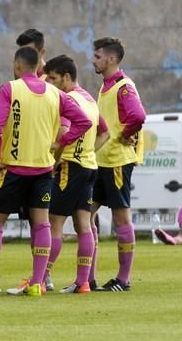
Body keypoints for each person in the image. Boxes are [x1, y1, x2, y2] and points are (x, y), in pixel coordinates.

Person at [0, 46, 91, 298]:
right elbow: (85, 121)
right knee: (42, 224)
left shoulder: (10, 89)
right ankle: (37, 283)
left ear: (17, 66)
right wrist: (60, 142)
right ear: (39, 67)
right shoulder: (55, 93)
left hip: (13, 168)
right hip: (43, 170)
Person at [42, 55, 110, 293]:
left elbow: (64, 131)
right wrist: (89, 152)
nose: (49, 83)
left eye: (52, 78)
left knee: (54, 224)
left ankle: (41, 277)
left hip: (69, 167)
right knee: (84, 224)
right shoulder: (89, 99)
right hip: (89, 167)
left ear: (66, 77)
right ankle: (83, 282)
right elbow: (105, 133)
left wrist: (53, 163)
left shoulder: (67, 100)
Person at [91, 37, 146, 292]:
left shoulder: (123, 86)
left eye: (98, 56)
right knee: (85, 216)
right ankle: (86, 277)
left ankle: (123, 279)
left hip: (116, 162)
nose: (94, 60)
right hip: (100, 161)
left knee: (121, 217)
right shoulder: (106, 86)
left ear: (111, 59)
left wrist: (125, 135)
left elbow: (138, 116)